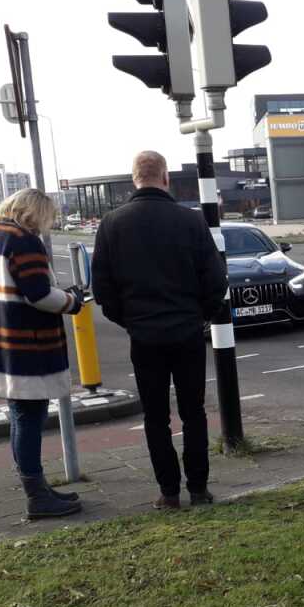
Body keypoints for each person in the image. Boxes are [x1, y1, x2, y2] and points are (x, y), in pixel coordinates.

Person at [92, 151, 227, 510]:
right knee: (193, 412)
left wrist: (131, 321)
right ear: (165, 178)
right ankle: (199, 488)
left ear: (134, 179)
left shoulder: (112, 224)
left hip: (144, 337)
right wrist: (201, 317)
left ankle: (169, 492)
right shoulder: (191, 222)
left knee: (155, 417)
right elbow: (216, 281)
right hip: (187, 333)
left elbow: (102, 290)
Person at [0, 188, 84, 518]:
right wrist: (72, 301)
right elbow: (38, 295)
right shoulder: (22, 240)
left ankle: (37, 487)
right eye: (45, 217)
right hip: (27, 343)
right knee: (29, 418)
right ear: (33, 213)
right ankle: (37, 496)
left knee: (18, 417)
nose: (45, 226)